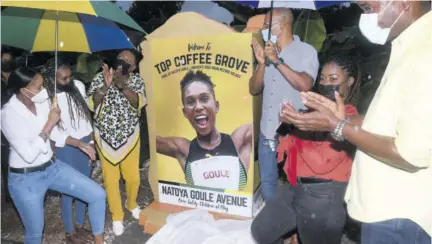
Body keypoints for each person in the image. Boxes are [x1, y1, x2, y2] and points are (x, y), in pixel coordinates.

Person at [280, 1, 432, 243]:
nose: (366, 18)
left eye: (368, 8)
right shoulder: (409, 46)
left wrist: (337, 126)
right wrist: (344, 119)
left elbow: (411, 153)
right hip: (387, 211)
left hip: (399, 217)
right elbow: (388, 124)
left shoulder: (426, 53)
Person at [251, 55, 361, 244]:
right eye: (323, 79)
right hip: (296, 188)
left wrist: (296, 126)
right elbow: (291, 156)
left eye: (333, 79)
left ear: (349, 81)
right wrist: (289, 129)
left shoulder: (349, 118)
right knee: (261, 231)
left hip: (324, 194)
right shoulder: (311, 113)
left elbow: (321, 163)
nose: (326, 84)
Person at [1, 67, 106, 244]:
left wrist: (79, 143)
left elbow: (56, 135)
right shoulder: (8, 114)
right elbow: (29, 154)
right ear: (23, 89)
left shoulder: (41, 103)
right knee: (35, 232)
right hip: (26, 179)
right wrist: (50, 122)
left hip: (53, 168)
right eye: (39, 87)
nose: (43, 90)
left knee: (97, 194)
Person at [249, 8, 319, 200]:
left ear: (280, 25)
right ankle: (273, 224)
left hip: (294, 135)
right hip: (268, 132)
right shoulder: (267, 53)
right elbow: (254, 89)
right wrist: (263, 63)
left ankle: (294, 225)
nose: (263, 29)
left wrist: (277, 61)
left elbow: (305, 84)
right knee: (268, 182)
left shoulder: (306, 52)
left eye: (265, 24)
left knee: (295, 182)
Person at [156, 71, 253, 191]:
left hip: (236, 210)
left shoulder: (238, 141)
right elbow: (150, 139)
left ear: (216, 106)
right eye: (191, 102)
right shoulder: (183, 149)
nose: (198, 107)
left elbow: (268, 127)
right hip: (200, 210)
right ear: (185, 112)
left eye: (204, 98)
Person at [87, 49, 146, 236]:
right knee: (111, 181)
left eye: (128, 61)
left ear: (134, 66)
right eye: (120, 58)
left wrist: (121, 85)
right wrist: (106, 85)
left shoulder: (137, 80)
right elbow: (93, 103)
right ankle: (117, 216)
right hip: (105, 138)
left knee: (133, 178)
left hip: (130, 137)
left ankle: (132, 204)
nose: (123, 62)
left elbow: (138, 102)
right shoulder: (100, 77)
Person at [42, 61, 97, 243]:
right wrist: (76, 144)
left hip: (84, 142)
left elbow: (85, 115)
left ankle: (80, 226)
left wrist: (91, 140)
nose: (69, 80)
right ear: (53, 78)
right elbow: (54, 131)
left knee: (85, 186)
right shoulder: (47, 97)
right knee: (68, 190)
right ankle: (69, 232)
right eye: (64, 78)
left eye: (70, 76)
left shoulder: (78, 86)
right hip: (66, 146)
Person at [1, 47, 15, 203]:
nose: (6, 63)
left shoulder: (16, 79)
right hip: (3, 131)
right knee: (5, 162)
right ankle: (9, 194)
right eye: (4, 61)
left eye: (8, 61)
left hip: (16, 125)